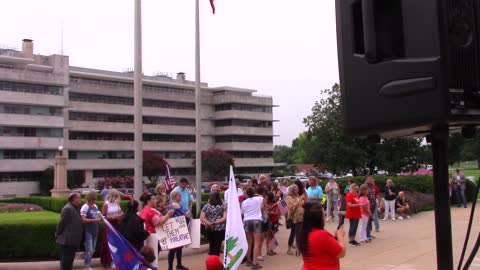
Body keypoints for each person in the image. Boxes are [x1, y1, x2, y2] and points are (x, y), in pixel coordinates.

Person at [297, 202, 346, 270]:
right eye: (323, 215)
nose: (324, 217)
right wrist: (341, 237)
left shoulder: (303, 233)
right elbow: (341, 253)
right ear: (318, 218)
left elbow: (322, 249)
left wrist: (334, 238)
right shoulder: (322, 235)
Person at [140, 192, 174, 269]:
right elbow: (159, 222)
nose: (155, 200)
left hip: (146, 236)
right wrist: (168, 214)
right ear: (148, 201)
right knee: (153, 258)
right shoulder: (151, 211)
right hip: (153, 236)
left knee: (147, 258)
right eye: (153, 199)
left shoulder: (144, 210)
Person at [55, 192, 83, 270]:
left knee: (69, 261)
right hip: (67, 240)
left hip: (72, 240)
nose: (80, 199)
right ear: (74, 199)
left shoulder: (74, 208)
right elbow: (61, 223)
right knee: (66, 261)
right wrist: (57, 233)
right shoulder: (68, 209)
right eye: (79, 198)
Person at [241, 186, 264, 269]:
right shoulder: (259, 199)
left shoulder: (244, 202)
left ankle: (249, 260)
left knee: (249, 242)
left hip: (247, 221)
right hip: (257, 221)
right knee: (256, 243)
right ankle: (254, 262)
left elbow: (242, 213)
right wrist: (255, 193)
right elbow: (262, 197)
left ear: (246, 193)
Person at [167, 189, 191, 270]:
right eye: (179, 195)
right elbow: (184, 214)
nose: (180, 197)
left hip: (176, 227)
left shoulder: (172, 204)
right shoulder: (175, 205)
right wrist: (188, 211)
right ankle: (173, 267)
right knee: (174, 249)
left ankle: (177, 265)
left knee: (177, 248)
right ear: (174, 196)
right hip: (177, 228)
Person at [100, 189, 124, 268]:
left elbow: (120, 212)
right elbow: (103, 217)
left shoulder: (117, 203)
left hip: (116, 225)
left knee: (117, 243)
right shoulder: (106, 204)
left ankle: (116, 260)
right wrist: (114, 217)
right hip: (109, 225)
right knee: (108, 243)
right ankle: (108, 261)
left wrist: (120, 215)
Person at [80, 191, 102, 270]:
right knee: (89, 250)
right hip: (88, 231)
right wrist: (96, 220)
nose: (94, 201)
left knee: (92, 250)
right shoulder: (85, 207)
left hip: (95, 230)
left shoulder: (95, 206)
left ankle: (88, 265)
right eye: (94, 199)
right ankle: (86, 266)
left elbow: (96, 216)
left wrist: (100, 218)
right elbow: (84, 220)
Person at [201, 192, 227, 256]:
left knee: (211, 245)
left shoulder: (206, 206)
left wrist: (209, 223)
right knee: (218, 246)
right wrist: (216, 222)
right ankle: (216, 261)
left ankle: (211, 261)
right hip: (220, 228)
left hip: (209, 228)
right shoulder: (223, 206)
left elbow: (202, 217)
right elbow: (224, 217)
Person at [286, 184, 305, 256]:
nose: (298, 190)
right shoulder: (289, 198)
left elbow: (302, 204)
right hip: (294, 218)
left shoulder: (297, 196)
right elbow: (292, 207)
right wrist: (300, 199)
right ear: (292, 190)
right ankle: (289, 248)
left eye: (297, 189)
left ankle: (298, 248)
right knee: (293, 233)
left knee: (299, 233)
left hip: (301, 217)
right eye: (296, 189)